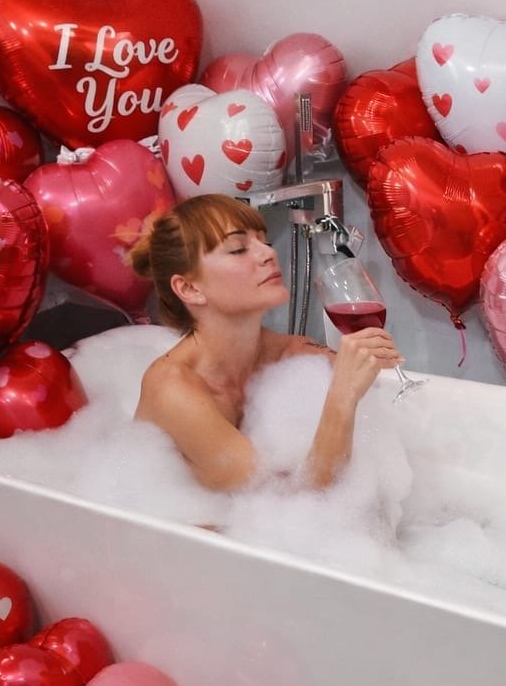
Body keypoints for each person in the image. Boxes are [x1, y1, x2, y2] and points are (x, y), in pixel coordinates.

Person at [129, 193, 403, 492]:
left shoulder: (293, 354)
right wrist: (342, 397)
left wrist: (365, 365)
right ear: (189, 288)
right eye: (238, 249)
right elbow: (290, 506)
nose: (267, 254)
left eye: (265, 242)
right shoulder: (172, 389)